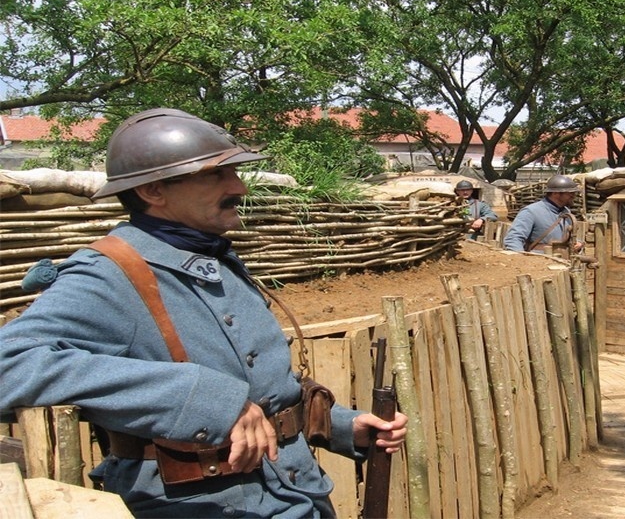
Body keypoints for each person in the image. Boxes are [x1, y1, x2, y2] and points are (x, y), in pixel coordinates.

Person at [0, 108, 407, 517]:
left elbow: (262, 390)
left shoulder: (215, 257)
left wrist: (339, 425)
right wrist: (200, 397)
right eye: (217, 175)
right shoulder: (108, 275)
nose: (240, 187)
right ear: (154, 191)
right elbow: (9, 366)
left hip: (300, 496)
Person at [502, 174, 583, 255]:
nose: (573, 196)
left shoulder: (566, 212)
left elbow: (569, 237)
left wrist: (578, 243)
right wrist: (522, 261)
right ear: (555, 194)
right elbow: (513, 239)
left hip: (565, 261)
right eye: (570, 193)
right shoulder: (530, 211)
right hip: (539, 261)